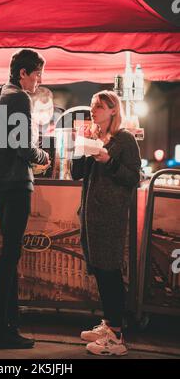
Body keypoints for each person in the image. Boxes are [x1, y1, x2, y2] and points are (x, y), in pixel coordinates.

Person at [0, 49, 50, 349]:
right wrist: (43, 156)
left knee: (9, 253)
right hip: (14, 183)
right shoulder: (19, 97)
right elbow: (23, 146)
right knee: (10, 256)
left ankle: (7, 323)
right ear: (23, 73)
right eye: (37, 75)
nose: (38, 81)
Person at [71, 90, 141, 356]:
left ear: (113, 110)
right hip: (90, 214)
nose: (93, 110)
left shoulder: (125, 139)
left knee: (109, 271)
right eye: (92, 105)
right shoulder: (94, 137)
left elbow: (133, 177)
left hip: (110, 215)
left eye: (99, 106)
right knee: (99, 270)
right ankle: (109, 324)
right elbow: (77, 173)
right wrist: (82, 146)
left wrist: (109, 160)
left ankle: (117, 337)